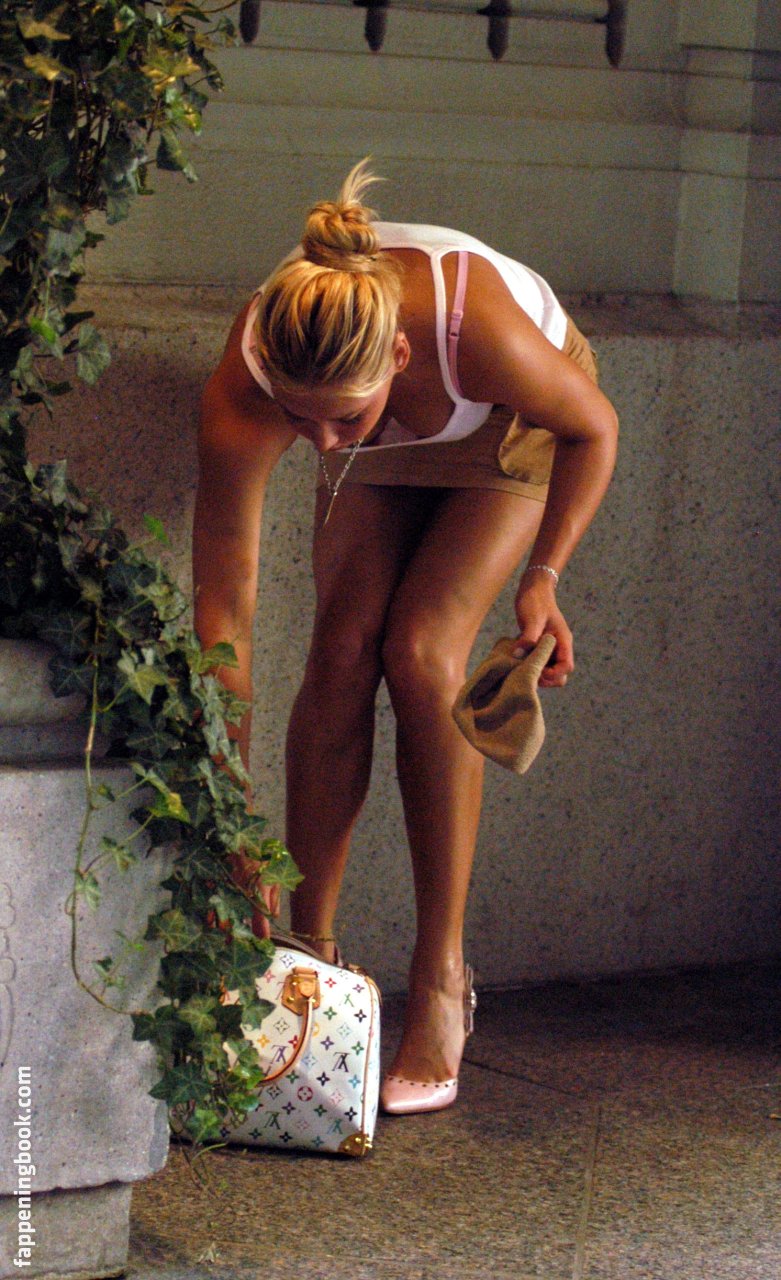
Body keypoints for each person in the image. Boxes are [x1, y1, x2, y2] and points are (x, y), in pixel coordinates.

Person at [192, 160, 618, 1116]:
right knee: (341, 653)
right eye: (297, 421)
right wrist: (232, 824)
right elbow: (224, 618)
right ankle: (306, 957)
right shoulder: (261, 384)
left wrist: (544, 578)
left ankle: (439, 981)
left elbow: (593, 427)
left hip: (508, 423)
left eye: (337, 418)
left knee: (422, 651)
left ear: (394, 357)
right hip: (390, 429)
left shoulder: (478, 335)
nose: (318, 446)